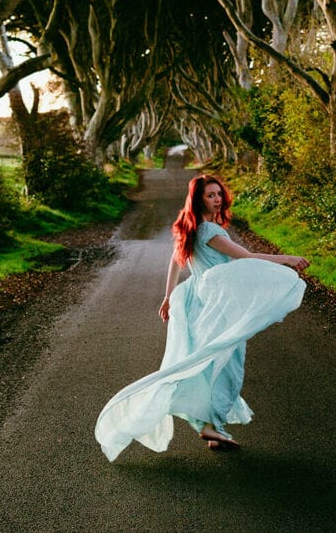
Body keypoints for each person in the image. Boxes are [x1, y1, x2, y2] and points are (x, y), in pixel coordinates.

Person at [95, 174, 309, 461]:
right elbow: (244, 256)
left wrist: (169, 296)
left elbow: (175, 260)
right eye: (210, 195)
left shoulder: (190, 227)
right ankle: (209, 425)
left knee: (207, 362)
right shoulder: (208, 230)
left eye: (219, 194)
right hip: (214, 304)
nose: (217, 199)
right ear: (199, 199)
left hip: (196, 300)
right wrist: (287, 259)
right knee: (224, 362)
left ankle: (212, 428)